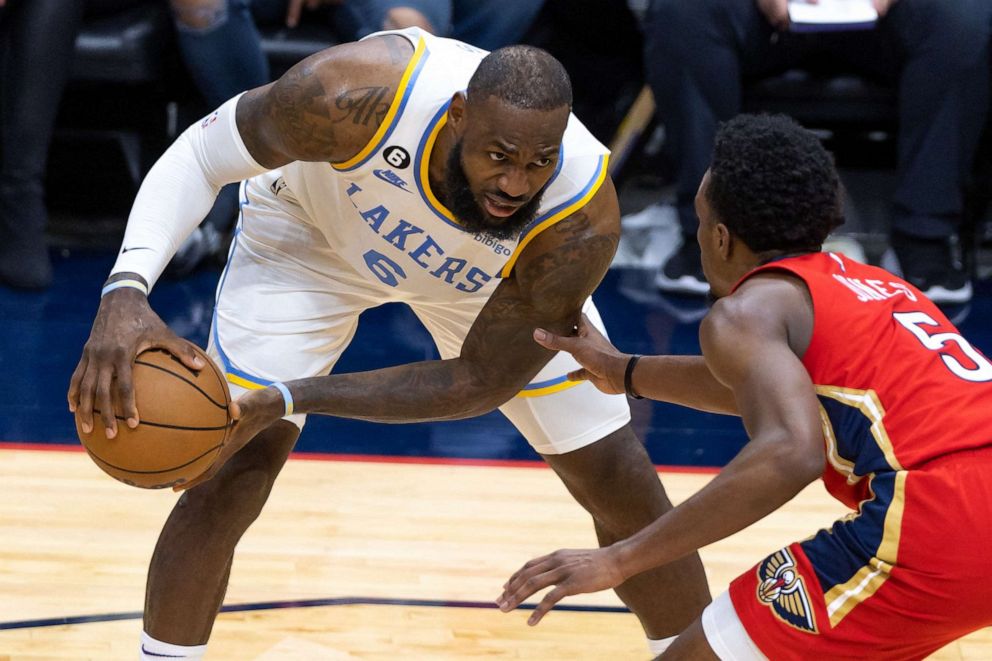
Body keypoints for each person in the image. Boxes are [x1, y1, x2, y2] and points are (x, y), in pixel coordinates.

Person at [66, 28, 711, 659]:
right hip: (308, 236)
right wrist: (126, 288)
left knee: (617, 476)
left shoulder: (578, 215)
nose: (516, 183)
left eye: (538, 162)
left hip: (486, 281)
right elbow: (203, 156)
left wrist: (289, 397)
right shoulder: (355, 94)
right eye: (499, 155)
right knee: (231, 459)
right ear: (459, 115)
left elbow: (480, 381)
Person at [497, 114, 992, 659]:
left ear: (721, 237)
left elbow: (791, 450)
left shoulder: (742, 312)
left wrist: (620, 559)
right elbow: (762, 392)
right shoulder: (875, 284)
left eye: (700, 220)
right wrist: (622, 372)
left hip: (938, 521)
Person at [641, 0, 992, 303]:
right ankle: (708, 235)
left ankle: (924, 238)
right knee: (681, 12)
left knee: (963, 17)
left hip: (888, 19)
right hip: (766, 17)